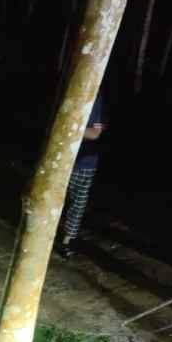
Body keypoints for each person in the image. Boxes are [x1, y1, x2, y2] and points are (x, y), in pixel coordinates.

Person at [57, 89, 107, 259]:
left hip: (84, 162)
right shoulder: (67, 89)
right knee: (58, 200)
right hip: (62, 157)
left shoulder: (95, 96)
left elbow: (95, 133)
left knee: (76, 205)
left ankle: (66, 242)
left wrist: (70, 129)